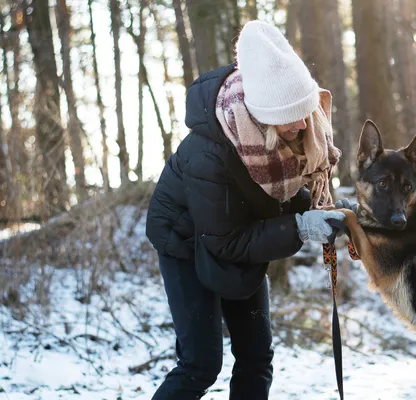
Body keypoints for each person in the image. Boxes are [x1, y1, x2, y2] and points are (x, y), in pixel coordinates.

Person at [145, 20, 357, 400]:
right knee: (200, 365)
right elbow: (227, 241)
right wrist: (302, 228)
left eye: (304, 110)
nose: (301, 122)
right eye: (289, 116)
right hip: (186, 240)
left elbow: (286, 195)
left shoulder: (299, 130)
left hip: (238, 227)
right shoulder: (209, 154)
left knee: (257, 357)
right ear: (261, 115)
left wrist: (332, 213)